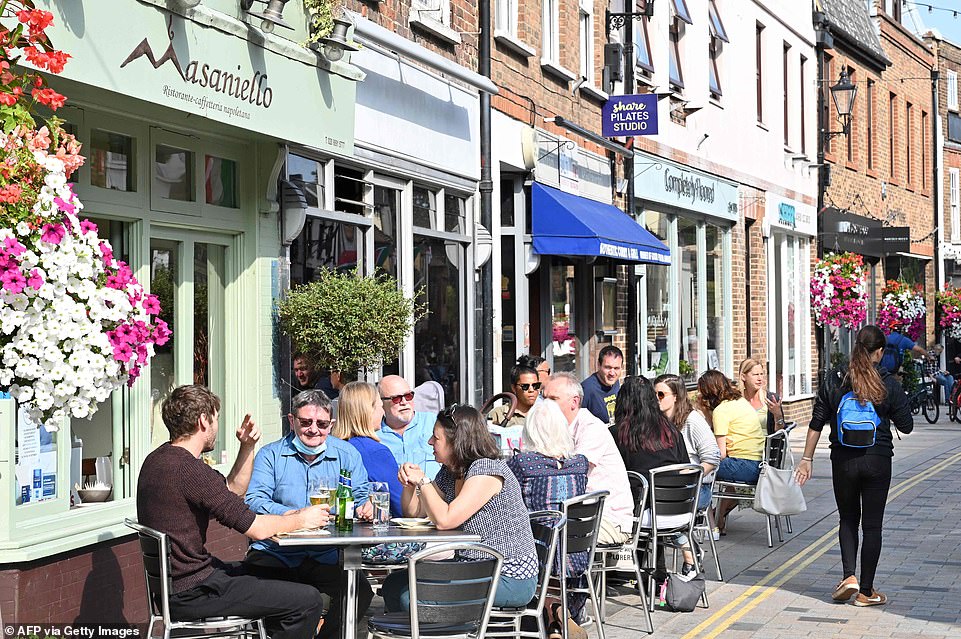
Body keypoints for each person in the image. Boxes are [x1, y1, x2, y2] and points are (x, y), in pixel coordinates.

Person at [137, 385, 328, 639]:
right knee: (308, 600)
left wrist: (247, 447)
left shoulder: (159, 458)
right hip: (193, 590)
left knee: (277, 574)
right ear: (203, 420)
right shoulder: (188, 470)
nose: (217, 426)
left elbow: (231, 489)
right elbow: (257, 529)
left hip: (176, 586)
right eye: (216, 418)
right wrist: (302, 520)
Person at [796, 325, 913, 607]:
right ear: (880, 352)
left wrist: (806, 459)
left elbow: (816, 421)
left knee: (848, 519)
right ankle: (866, 591)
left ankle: (849, 576)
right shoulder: (887, 383)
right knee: (872, 526)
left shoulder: (836, 380)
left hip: (843, 460)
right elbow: (907, 426)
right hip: (877, 460)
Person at [382, 405, 539, 612]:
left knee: (409, 599)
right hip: (473, 567)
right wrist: (410, 485)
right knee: (394, 585)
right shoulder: (452, 472)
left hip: (508, 576)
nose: (430, 442)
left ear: (457, 441)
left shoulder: (487, 470)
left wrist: (423, 481)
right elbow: (415, 512)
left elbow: (445, 520)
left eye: (436, 438)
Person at [244, 390, 374, 639]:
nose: (314, 429)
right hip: (276, 554)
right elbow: (254, 501)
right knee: (290, 605)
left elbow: (360, 495)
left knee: (359, 591)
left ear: (331, 424)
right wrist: (293, 515)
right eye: (306, 422)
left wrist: (364, 506)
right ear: (292, 421)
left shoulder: (346, 454)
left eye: (322, 424)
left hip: (323, 554)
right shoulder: (270, 455)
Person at [507, 400, 589, 639]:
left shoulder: (523, 464)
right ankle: (557, 614)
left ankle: (551, 609)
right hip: (576, 556)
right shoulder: (580, 463)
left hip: (539, 555)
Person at [613, 376, 696, 575]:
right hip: (679, 512)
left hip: (643, 515)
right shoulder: (671, 431)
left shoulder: (618, 434)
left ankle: (618, 572)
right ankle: (663, 563)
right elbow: (685, 467)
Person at [542, 372, 634, 545]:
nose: (545, 405)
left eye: (553, 399)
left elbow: (574, 471)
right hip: (576, 513)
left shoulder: (591, 427)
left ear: (574, 402)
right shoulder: (555, 428)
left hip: (606, 519)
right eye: (544, 398)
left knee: (544, 536)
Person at [696, 370, 766, 535]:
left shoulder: (721, 410)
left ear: (709, 392)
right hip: (758, 464)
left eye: (701, 391)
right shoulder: (740, 401)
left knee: (698, 469)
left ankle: (706, 520)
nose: (699, 395)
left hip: (744, 467)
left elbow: (719, 454)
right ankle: (716, 518)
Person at [333, 381, 404, 516]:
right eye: (380, 406)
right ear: (368, 411)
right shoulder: (374, 452)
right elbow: (402, 506)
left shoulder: (333, 448)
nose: (383, 412)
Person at [654, 374, 720, 515]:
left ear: (676, 396)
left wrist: (685, 475)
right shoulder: (657, 421)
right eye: (653, 395)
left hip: (694, 487)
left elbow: (712, 458)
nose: (656, 399)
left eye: (661, 395)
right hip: (666, 486)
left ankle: (678, 535)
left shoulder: (692, 421)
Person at [378, 375, 441, 479]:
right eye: (396, 399)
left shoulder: (434, 423)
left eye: (408, 396)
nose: (404, 402)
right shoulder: (375, 435)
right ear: (381, 403)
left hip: (433, 493)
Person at [739, 358, 785, 435]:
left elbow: (780, 434)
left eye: (761, 374)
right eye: (755, 375)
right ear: (743, 377)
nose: (760, 379)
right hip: (741, 445)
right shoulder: (735, 400)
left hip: (766, 445)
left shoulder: (771, 399)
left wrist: (778, 415)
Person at [581, 345, 623, 425]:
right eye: (608, 367)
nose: (612, 373)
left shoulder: (616, 382)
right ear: (599, 365)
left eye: (616, 368)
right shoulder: (586, 389)